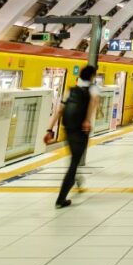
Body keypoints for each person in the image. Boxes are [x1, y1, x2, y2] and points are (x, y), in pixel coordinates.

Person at [44, 65, 99, 209]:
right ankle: (61, 199)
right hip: (81, 131)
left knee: (73, 159)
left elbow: (59, 110)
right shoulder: (93, 89)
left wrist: (49, 129)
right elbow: (93, 103)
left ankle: (77, 179)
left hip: (68, 129)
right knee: (74, 163)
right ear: (92, 76)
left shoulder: (71, 90)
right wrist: (87, 120)